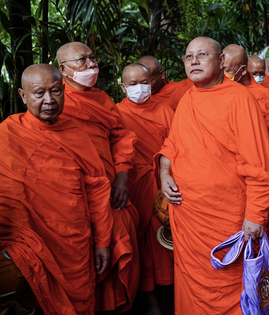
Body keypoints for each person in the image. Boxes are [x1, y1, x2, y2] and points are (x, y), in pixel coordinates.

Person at [157, 37, 269, 314]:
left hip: (228, 218)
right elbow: (171, 146)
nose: (194, 61)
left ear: (221, 61)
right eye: (189, 57)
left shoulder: (240, 99)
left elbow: (260, 164)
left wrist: (255, 216)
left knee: (233, 285)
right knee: (193, 285)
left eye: (202, 55)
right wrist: (165, 172)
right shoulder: (188, 98)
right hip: (190, 219)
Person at [0, 64, 113, 315]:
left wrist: (102, 242)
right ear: (22, 95)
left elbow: (97, 189)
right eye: (39, 93)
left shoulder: (76, 133)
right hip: (29, 243)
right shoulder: (7, 134)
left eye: (55, 92)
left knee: (79, 301)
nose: (49, 100)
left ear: (64, 90)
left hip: (73, 241)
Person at [57, 42, 140, 313]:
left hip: (110, 191)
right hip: (75, 197)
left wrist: (122, 178)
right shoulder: (56, 100)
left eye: (92, 58)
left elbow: (122, 138)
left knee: (118, 244)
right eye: (82, 60)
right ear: (63, 69)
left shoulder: (103, 99)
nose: (91, 65)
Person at [116, 63, 175, 305]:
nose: (140, 88)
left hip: (164, 183)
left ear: (151, 83)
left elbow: (177, 147)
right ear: (122, 87)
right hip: (135, 186)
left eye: (144, 82)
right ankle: (148, 298)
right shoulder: (116, 113)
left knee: (167, 239)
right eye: (133, 84)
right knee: (141, 242)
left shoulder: (165, 110)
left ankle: (173, 291)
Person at [222, 45, 269, 250]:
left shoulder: (265, 93)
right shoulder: (222, 91)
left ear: (241, 70)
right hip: (230, 165)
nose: (226, 75)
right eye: (224, 69)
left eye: (230, 71)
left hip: (260, 156)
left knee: (263, 210)